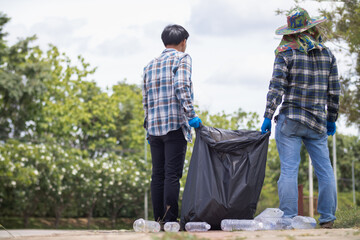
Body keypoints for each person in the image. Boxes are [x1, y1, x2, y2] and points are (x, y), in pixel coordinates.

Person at [261, 7, 340, 229]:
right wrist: (331, 118)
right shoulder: (327, 54)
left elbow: (276, 88)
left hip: (291, 120)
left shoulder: (285, 53)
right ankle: (327, 218)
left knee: (289, 169)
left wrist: (268, 116)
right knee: (325, 170)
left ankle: (288, 219)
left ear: (292, 31)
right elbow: (334, 91)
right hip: (317, 122)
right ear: (311, 27)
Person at [142, 24, 202, 225]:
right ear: (183, 42)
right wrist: (191, 114)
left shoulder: (149, 65)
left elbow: (145, 100)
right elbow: (181, 86)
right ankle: (170, 221)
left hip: (154, 129)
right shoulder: (183, 58)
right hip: (175, 125)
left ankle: (158, 220)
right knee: (172, 175)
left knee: (157, 174)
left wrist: (147, 129)